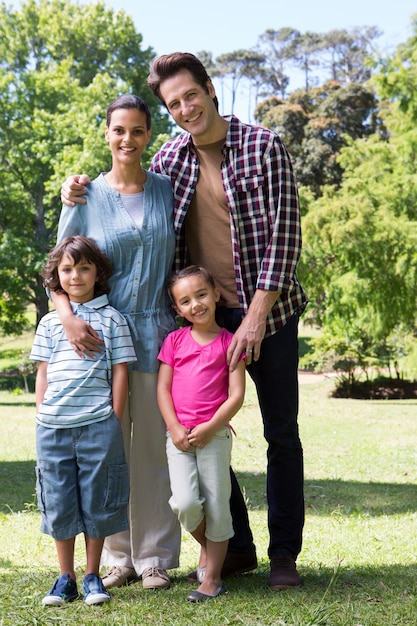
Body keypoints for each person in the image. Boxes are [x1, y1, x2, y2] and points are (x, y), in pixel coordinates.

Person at [61, 51, 308, 590]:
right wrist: (74, 189)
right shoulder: (172, 159)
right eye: (173, 104)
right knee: (206, 425)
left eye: (190, 96)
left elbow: (285, 239)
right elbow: (121, 194)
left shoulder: (263, 146)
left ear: (210, 89)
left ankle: (284, 553)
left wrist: (255, 319)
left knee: (280, 433)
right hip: (205, 322)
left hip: (270, 310)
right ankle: (235, 547)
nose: (184, 109)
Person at [53, 94, 182, 590]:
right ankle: (118, 556)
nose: (127, 139)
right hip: (100, 341)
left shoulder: (167, 190)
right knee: (109, 452)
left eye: (137, 130)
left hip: (156, 336)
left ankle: (153, 558)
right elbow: (58, 270)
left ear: (149, 136)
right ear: (106, 134)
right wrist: (67, 319)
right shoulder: (84, 196)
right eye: (118, 130)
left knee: (152, 449)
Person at [30, 235, 137, 606]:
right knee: (59, 501)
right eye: (67, 269)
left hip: (98, 424)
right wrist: (42, 412)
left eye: (84, 268)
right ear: (57, 276)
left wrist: (114, 418)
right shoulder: (48, 323)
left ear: (98, 272)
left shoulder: (113, 320)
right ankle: (65, 578)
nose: (75, 276)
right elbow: (43, 372)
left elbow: (121, 372)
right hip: (53, 427)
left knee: (99, 500)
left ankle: (93, 577)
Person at [157, 265, 246, 602]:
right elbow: (163, 390)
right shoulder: (174, 341)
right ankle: (211, 550)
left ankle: (212, 578)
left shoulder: (230, 343)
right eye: (185, 301)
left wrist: (210, 427)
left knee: (218, 506)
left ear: (216, 294)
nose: (195, 304)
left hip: (215, 437)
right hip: (179, 438)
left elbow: (236, 395)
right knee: (185, 503)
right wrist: (176, 428)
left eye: (201, 294)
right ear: (178, 309)